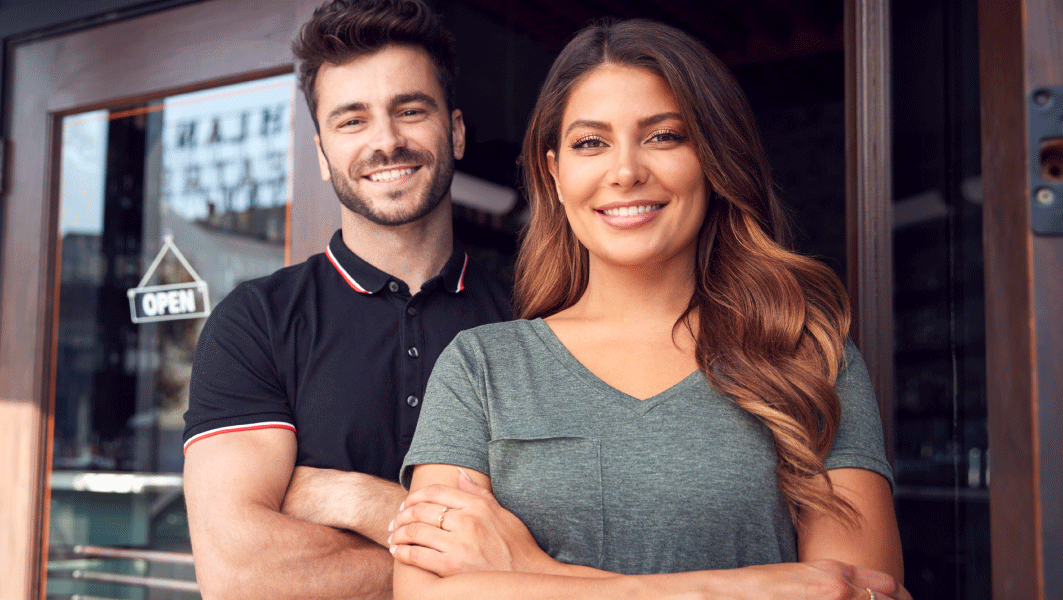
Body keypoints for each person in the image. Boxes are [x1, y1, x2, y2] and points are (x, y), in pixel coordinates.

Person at [389, 19, 910, 600]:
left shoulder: (808, 356)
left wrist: (534, 570)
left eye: (664, 136)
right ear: (555, 174)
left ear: (712, 159)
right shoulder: (481, 369)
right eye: (591, 143)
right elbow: (426, 594)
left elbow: (859, 593)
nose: (627, 170)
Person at [181, 1, 511, 598]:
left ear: (456, 132)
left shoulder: (535, 311)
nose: (386, 141)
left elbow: (580, 540)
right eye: (351, 121)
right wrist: (486, 565)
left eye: (410, 110)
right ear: (321, 155)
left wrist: (355, 498)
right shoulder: (257, 323)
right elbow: (238, 574)